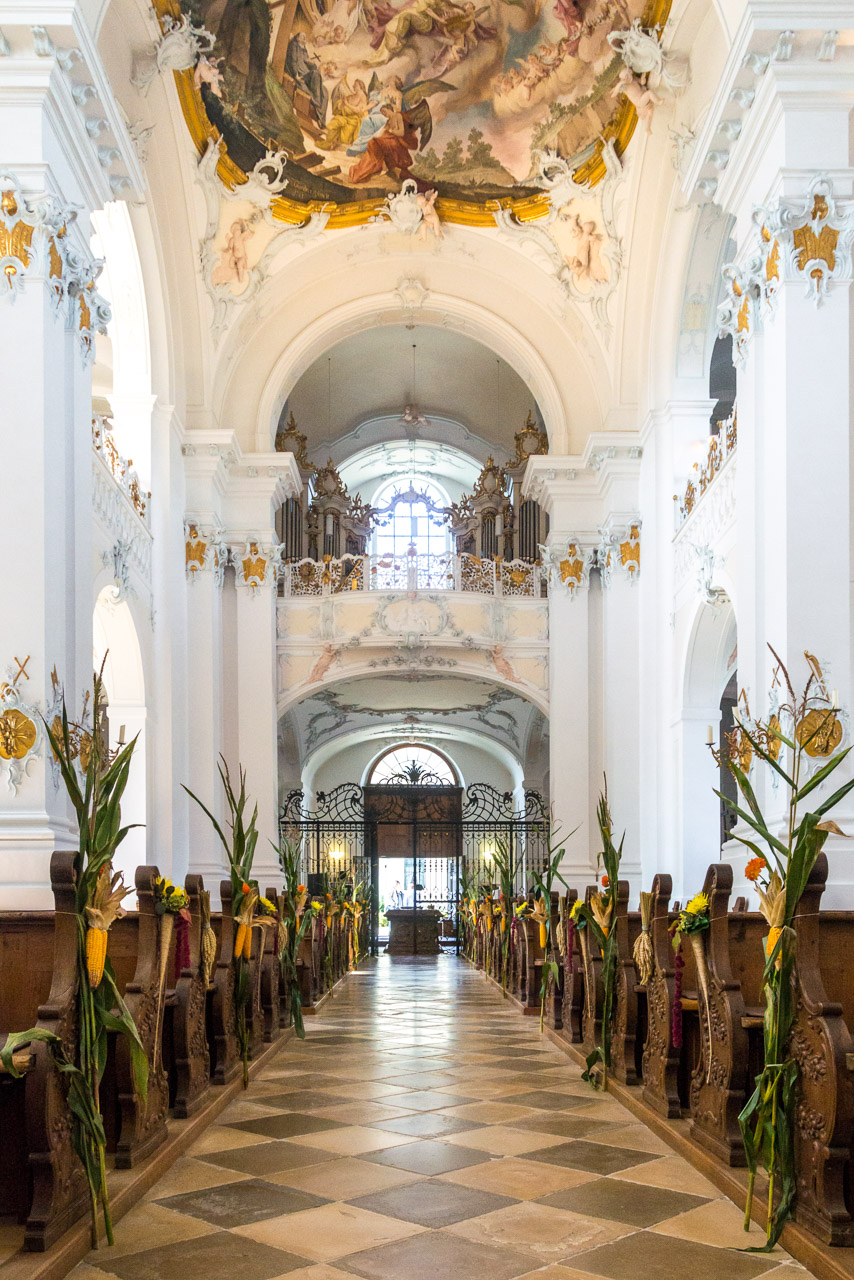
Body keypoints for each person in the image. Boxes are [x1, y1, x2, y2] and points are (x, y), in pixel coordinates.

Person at [285, 32, 329, 126]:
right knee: (316, 75)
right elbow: (292, 62)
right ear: (297, 38)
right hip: (300, 76)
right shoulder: (294, 47)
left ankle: (321, 119)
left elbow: (309, 65)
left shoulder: (304, 49)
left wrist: (312, 64)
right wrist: (296, 75)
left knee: (325, 92)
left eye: (305, 36)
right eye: (302, 36)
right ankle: (316, 100)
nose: (305, 38)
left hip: (306, 74)